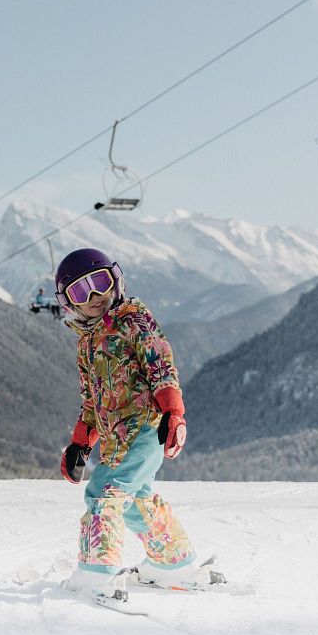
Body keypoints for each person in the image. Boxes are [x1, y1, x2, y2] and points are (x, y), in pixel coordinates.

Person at [54, 247, 222, 596]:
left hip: (145, 427)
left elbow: (161, 366)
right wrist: (81, 442)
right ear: (69, 302)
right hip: (118, 437)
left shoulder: (134, 320)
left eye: (100, 283)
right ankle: (173, 563)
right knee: (136, 498)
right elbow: (93, 401)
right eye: (82, 291)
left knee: (104, 492)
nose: (96, 296)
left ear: (116, 280)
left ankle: (96, 573)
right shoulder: (87, 342)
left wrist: (174, 413)